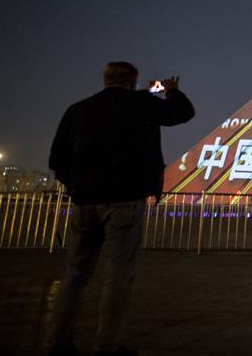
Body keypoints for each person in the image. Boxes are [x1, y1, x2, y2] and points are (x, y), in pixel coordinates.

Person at [47, 62, 195, 356]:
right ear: (132, 81)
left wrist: (76, 186)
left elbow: (56, 159)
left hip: (84, 202)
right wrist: (173, 92)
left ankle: (58, 343)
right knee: (118, 274)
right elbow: (183, 114)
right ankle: (107, 345)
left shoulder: (78, 110)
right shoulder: (142, 104)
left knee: (75, 273)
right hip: (125, 200)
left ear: (105, 80)